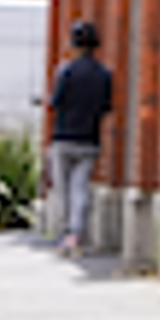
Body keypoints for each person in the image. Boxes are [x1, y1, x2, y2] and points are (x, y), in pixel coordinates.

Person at [41, 19, 115, 252]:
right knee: (80, 188)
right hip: (89, 139)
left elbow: (56, 101)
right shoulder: (104, 74)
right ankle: (76, 231)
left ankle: (64, 233)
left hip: (64, 137)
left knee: (62, 189)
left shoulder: (66, 71)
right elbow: (106, 107)